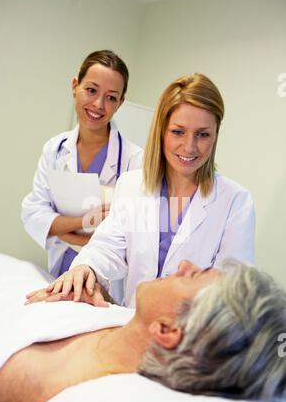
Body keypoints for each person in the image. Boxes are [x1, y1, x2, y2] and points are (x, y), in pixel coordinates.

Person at [0, 260, 286, 402]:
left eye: (193, 275)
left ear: (168, 330)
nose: (183, 264)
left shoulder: (49, 383)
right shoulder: (125, 323)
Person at [34, 72, 255, 307]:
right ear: (162, 130)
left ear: (215, 135)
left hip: (192, 334)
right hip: (132, 323)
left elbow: (233, 289)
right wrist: (86, 268)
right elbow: (108, 246)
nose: (189, 147)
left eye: (203, 134)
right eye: (178, 132)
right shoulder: (131, 185)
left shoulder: (235, 201)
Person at [21, 50, 143, 286]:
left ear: (121, 103)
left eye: (111, 97)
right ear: (75, 86)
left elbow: (128, 236)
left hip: (103, 281)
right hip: (59, 267)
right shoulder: (55, 148)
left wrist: (60, 228)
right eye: (91, 90)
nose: (98, 104)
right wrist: (81, 226)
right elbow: (34, 212)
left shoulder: (134, 161)